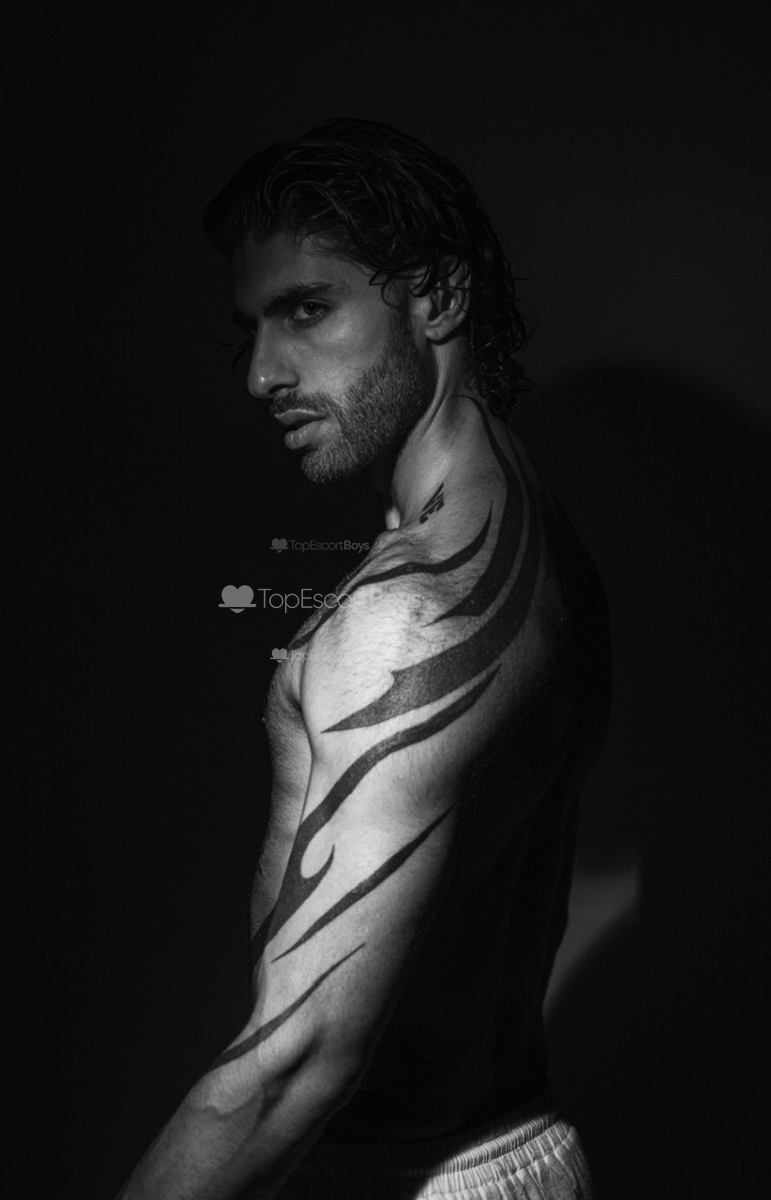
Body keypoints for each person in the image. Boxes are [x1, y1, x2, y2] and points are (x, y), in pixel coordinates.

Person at [117, 118, 610, 1199]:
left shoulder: (409, 618)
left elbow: (297, 1063)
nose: (262, 375)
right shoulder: (533, 528)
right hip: (511, 1144)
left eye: (307, 310)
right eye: (251, 328)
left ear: (437, 296)